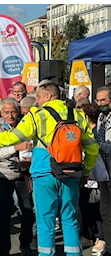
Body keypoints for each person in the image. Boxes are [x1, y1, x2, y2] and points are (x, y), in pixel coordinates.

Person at [0, 81, 99, 256]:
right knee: (69, 218)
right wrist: (86, 171)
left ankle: (46, 255)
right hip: (71, 172)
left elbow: (12, 137)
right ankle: (74, 255)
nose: (36, 99)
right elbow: (92, 148)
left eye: (39, 96)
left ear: (48, 96)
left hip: (44, 173)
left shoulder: (38, 115)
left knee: (45, 220)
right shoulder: (77, 115)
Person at [0, 98, 35, 256]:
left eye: (13, 112)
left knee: (28, 211)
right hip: (3, 175)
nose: (10, 115)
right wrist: (15, 147)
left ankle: (25, 243)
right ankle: (4, 251)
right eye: (6, 112)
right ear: (1, 112)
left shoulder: (24, 125)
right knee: (5, 213)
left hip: (23, 174)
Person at [78, 102, 106, 255]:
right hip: (88, 176)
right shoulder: (87, 131)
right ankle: (89, 235)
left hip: (95, 176)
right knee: (86, 208)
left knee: (97, 209)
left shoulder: (94, 133)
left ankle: (101, 238)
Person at [94, 86, 111, 256]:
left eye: (103, 100)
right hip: (103, 169)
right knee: (105, 210)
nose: (100, 104)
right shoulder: (100, 117)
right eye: (98, 101)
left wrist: (97, 145)